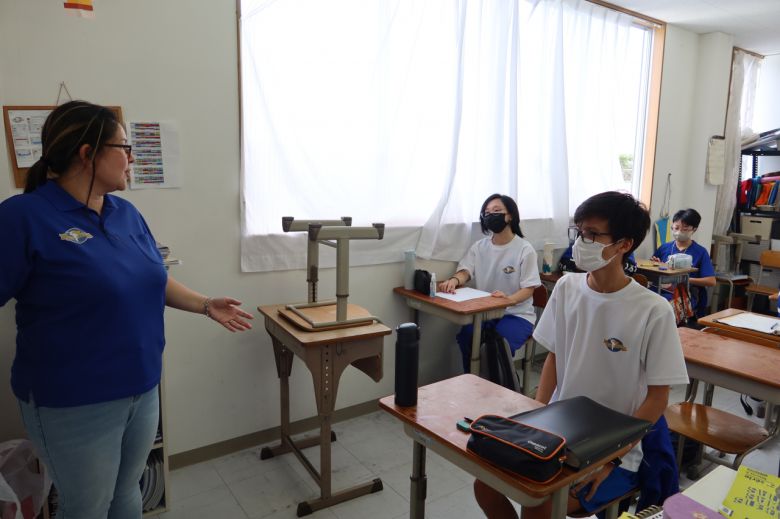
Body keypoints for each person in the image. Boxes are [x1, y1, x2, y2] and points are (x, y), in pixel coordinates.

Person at [0, 101, 254, 519]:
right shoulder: (24, 217)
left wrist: (206, 305)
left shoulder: (125, 214)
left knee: (126, 494)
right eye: (124, 146)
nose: (132, 157)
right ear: (88, 153)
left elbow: (151, 277)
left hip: (141, 388)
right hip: (73, 401)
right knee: (87, 507)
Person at [473, 191, 689, 519]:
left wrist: (612, 458)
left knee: (540, 506)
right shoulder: (567, 288)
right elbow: (555, 358)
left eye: (592, 234)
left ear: (623, 245)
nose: (581, 241)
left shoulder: (652, 310)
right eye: (579, 232)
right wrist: (535, 414)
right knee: (485, 485)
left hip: (616, 446)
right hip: (557, 428)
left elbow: (658, 397)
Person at [438, 193, 541, 372]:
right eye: (486, 212)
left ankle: (501, 390)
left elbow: (529, 289)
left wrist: (507, 300)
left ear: (510, 216)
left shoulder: (525, 249)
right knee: (467, 336)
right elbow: (466, 271)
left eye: (496, 211)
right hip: (485, 313)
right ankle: (472, 383)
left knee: (499, 345)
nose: (490, 215)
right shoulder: (480, 246)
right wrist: (454, 280)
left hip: (517, 314)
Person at [651, 208, 716, 318]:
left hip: (684, 293)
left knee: (662, 307)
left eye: (685, 228)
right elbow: (651, 271)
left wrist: (685, 280)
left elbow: (711, 281)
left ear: (694, 229)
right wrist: (656, 265)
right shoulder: (664, 248)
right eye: (676, 228)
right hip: (662, 289)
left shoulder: (700, 252)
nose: (679, 231)